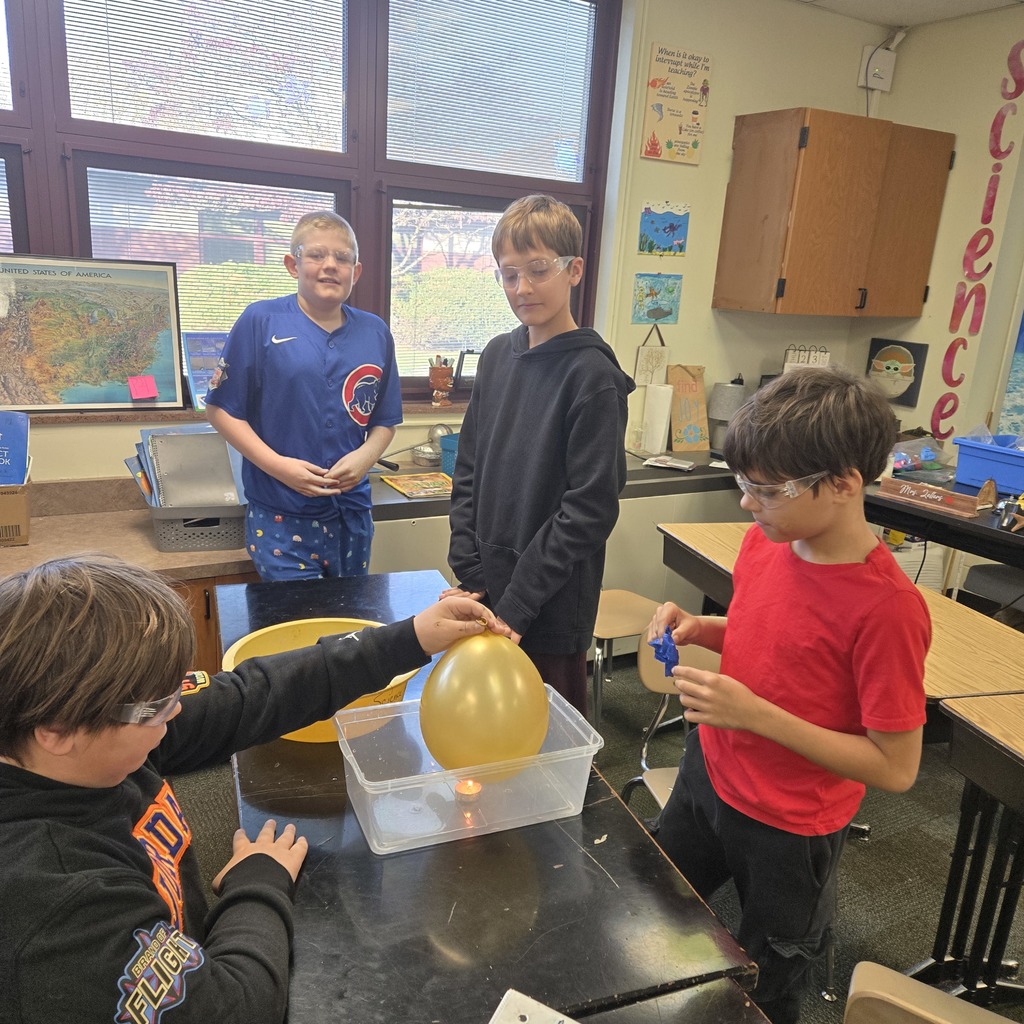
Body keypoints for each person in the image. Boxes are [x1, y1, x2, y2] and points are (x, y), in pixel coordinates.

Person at [0, 553, 503, 1024]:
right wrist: (257, 884)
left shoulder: (93, 736)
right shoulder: (60, 911)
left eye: (174, 691)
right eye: (156, 707)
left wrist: (409, 638)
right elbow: (235, 1006)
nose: (176, 712)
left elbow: (251, 695)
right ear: (57, 732)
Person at [647, 366, 931, 1024]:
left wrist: (757, 715)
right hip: (708, 776)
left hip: (788, 828)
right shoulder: (766, 542)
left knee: (768, 977)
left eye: (766, 490)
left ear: (842, 484)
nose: (747, 503)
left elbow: (896, 765)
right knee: (655, 906)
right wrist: (703, 629)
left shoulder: (887, 610)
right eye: (743, 483)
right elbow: (771, 636)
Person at [443, 194, 635, 715]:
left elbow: (589, 509)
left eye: (538, 270)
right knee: (486, 729)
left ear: (573, 270)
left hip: (548, 604)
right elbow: (469, 468)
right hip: (488, 587)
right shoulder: (498, 356)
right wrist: (471, 569)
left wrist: (519, 602)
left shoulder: (593, 377)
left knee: (547, 740)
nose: (523, 288)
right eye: (509, 275)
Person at [205, 210, 402, 581]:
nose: (330, 266)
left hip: (352, 513)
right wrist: (281, 468)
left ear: (355, 272)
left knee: (349, 628)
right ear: (293, 265)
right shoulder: (260, 321)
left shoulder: (375, 332)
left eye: (342, 258)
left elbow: (385, 422)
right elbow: (220, 410)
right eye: (316, 255)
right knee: (298, 629)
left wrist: (364, 459)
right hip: (281, 512)